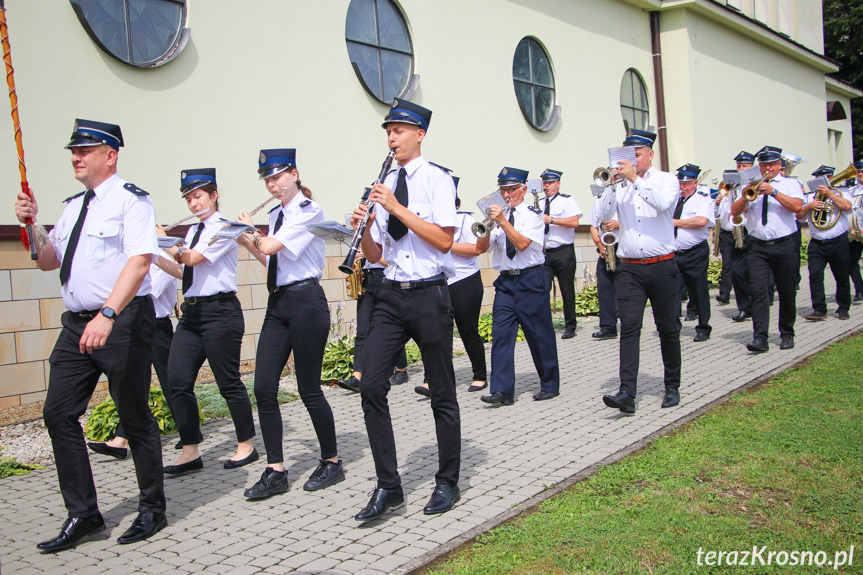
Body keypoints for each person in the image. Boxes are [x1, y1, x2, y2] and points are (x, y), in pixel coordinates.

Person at [14, 119, 166, 551]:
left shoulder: (131, 202)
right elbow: (47, 260)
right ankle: (84, 514)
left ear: (110, 155)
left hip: (121, 321)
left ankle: (152, 509)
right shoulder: (73, 206)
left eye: (84, 150)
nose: (76, 157)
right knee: (58, 413)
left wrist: (107, 313)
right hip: (76, 324)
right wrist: (31, 224)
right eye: (73, 151)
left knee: (134, 418)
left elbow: (140, 261)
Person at [349, 98, 461, 521]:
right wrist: (360, 230)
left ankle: (447, 480)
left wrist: (395, 207)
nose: (391, 137)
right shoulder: (382, 183)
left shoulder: (437, 180)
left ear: (419, 134)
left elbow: (444, 240)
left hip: (429, 295)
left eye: (398, 130)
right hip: (390, 293)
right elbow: (378, 254)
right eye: (388, 131)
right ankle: (389, 486)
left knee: (442, 392)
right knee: (371, 386)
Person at [235, 149, 343, 498]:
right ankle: (275, 469)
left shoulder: (309, 211)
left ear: (293, 174)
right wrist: (243, 238)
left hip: (306, 303)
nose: (272, 184)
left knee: (309, 388)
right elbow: (267, 257)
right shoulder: (277, 214)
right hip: (279, 302)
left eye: (277, 177)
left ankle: (331, 460)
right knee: (263, 387)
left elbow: (267, 245)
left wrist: (249, 231)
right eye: (267, 179)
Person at [158, 168, 257, 475]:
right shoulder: (191, 233)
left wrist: (162, 240)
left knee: (227, 382)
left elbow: (191, 259)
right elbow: (184, 272)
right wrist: (150, 252)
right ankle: (190, 450)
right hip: (192, 315)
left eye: (198, 196)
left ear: (214, 195)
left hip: (220, 313)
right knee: (177, 381)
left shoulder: (225, 228)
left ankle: (246, 445)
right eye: (189, 199)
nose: (193, 204)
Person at [597, 128, 682, 413]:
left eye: (638, 155)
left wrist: (634, 178)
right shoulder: (619, 185)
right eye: (628, 156)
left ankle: (672, 386)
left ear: (650, 154)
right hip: (629, 269)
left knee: (667, 328)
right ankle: (626, 393)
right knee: (629, 328)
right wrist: (611, 185)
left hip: (662, 266)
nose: (633, 160)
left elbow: (663, 204)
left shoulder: (667, 180)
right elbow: (603, 216)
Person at [474, 167, 560, 406]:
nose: (507, 194)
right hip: (506, 282)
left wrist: (502, 220)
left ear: (523, 189)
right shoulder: (498, 218)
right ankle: (502, 391)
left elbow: (522, 244)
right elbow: (481, 250)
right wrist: (486, 227)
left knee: (538, 334)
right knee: (501, 335)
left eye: (512, 189)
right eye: (503, 189)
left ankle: (550, 384)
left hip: (530, 279)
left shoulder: (532, 215)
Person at [87, 257, 179, 459]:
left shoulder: (163, 261)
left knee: (170, 380)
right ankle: (120, 440)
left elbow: (146, 291)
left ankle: (188, 429)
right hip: (133, 324)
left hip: (157, 325)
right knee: (135, 385)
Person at [415, 183, 488, 397]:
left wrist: (442, 243)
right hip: (437, 282)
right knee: (434, 333)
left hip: (464, 280)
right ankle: (433, 380)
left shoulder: (465, 219)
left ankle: (480, 375)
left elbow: (474, 250)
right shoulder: (429, 223)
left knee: (467, 330)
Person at [731, 146, 805, 352]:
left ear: (779, 165)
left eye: (771, 164)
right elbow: (734, 212)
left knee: (787, 291)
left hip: (785, 245)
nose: (767, 168)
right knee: (758, 292)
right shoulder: (750, 185)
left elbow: (797, 208)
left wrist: (774, 192)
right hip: (758, 247)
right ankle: (760, 337)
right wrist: (746, 196)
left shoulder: (790, 184)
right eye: (763, 164)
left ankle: (787, 333)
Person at [798, 167, 853, 321]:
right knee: (815, 276)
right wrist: (809, 206)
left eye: (828, 177)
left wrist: (830, 195)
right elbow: (799, 216)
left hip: (838, 241)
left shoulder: (841, 192)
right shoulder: (809, 197)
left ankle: (843, 307)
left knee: (841, 276)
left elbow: (847, 207)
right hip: (817, 242)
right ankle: (819, 309)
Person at [538, 169, 582, 339]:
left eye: (549, 183)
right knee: (542, 289)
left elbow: (575, 222)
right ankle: (544, 325)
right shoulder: (539, 203)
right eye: (544, 183)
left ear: (558, 183)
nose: (546, 186)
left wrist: (552, 220)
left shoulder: (567, 201)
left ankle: (570, 325)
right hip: (545, 253)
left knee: (567, 290)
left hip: (563, 251)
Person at [672, 164, 715, 342]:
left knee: (699, 291)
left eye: (687, 183)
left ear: (695, 182)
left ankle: (703, 327)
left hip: (694, 253)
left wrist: (676, 222)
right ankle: (673, 326)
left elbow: (701, 220)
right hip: (674, 252)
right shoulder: (674, 199)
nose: (683, 187)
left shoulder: (703, 199)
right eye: (680, 183)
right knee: (672, 292)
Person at [715, 151, 754, 321]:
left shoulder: (756, 185)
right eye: (739, 166)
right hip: (733, 231)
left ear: (752, 167)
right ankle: (744, 307)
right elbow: (725, 211)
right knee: (737, 272)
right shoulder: (733, 187)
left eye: (745, 166)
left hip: (749, 232)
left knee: (754, 272)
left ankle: (758, 303)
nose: (741, 169)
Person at [589, 199, 619, 339]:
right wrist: (600, 245)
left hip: (623, 247)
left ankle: (630, 323)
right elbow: (594, 227)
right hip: (606, 247)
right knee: (604, 288)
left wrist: (619, 224)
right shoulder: (600, 202)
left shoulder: (627, 197)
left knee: (626, 288)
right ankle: (608, 327)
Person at [848, 161, 863, 301]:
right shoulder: (852, 190)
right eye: (859, 171)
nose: (860, 174)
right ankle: (860, 290)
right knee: (852, 260)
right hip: (857, 231)